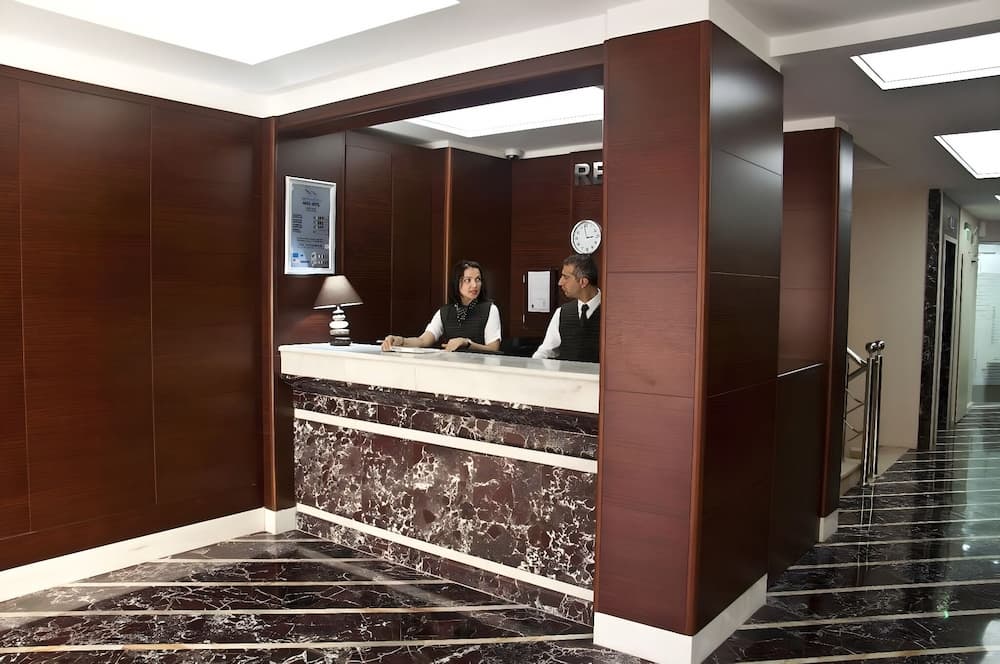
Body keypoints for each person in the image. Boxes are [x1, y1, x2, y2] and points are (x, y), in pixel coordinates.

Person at [381, 259, 501, 353]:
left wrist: (467, 343)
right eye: (467, 280)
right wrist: (400, 341)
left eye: (478, 279)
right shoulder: (445, 312)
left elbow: (493, 348)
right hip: (451, 369)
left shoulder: (490, 309)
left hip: (481, 370)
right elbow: (423, 340)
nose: (474, 285)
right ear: (456, 282)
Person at [532, 254, 601, 362]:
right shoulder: (561, 313)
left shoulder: (613, 313)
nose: (560, 282)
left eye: (566, 277)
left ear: (583, 282)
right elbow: (545, 351)